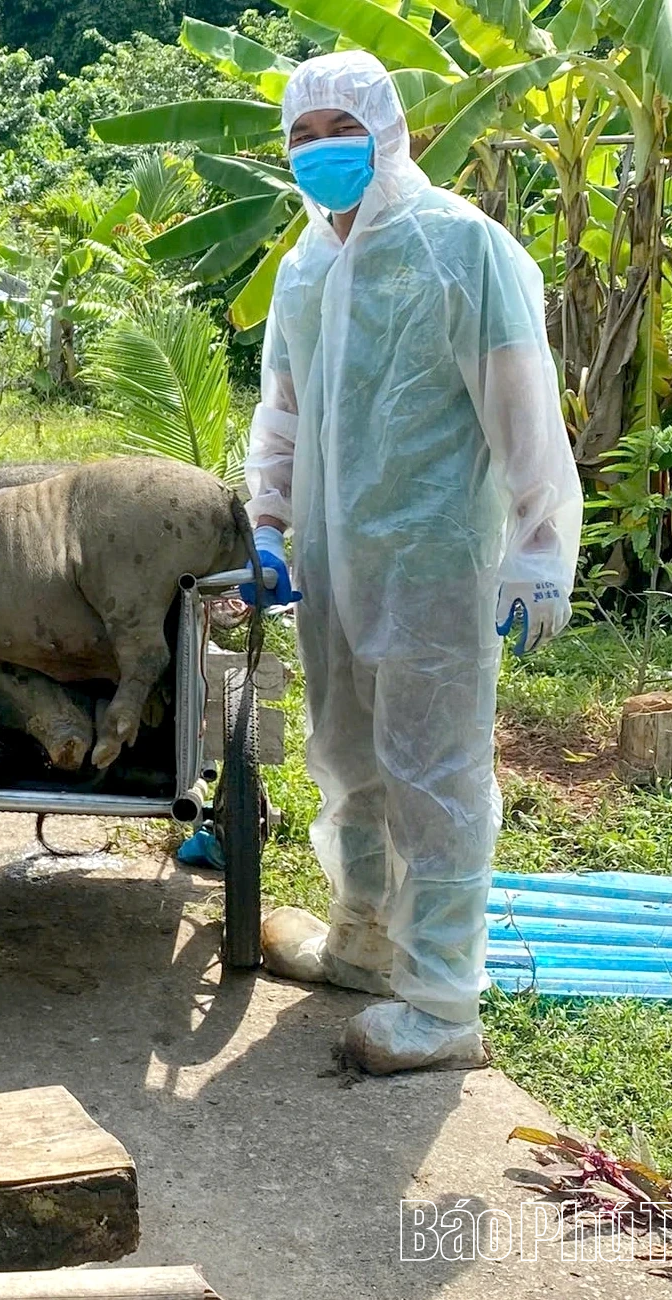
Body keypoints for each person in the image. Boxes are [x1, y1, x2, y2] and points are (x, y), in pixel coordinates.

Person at [245, 52, 583, 1074]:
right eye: (299, 136)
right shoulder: (303, 265)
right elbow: (282, 411)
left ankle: (439, 1000)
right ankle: (360, 937)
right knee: (343, 754)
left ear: (389, 130)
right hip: (329, 561)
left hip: (433, 559)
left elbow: (524, 413)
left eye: (337, 128)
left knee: (431, 774)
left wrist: (537, 548)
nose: (317, 152)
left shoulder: (457, 249)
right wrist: (263, 520)